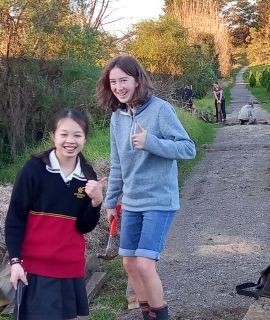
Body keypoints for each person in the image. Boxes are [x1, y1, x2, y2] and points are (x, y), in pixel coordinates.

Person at [96, 55, 196, 320]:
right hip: (130, 202)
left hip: (159, 200)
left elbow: (188, 149)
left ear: (137, 79)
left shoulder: (161, 110)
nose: (118, 86)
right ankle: (147, 315)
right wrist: (110, 202)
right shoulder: (117, 118)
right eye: (113, 82)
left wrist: (151, 142)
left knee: (144, 263)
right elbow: (117, 164)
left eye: (124, 80)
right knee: (129, 262)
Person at [5, 108, 105, 320]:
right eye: (64, 134)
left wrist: (96, 201)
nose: (70, 141)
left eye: (77, 135)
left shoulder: (87, 175)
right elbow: (15, 218)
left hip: (70, 265)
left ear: (85, 137)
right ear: (53, 136)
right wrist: (15, 262)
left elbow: (83, 227)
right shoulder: (34, 169)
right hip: (36, 267)